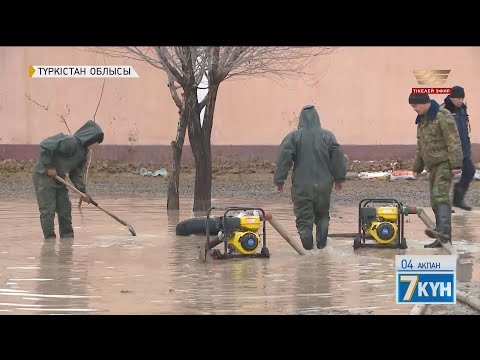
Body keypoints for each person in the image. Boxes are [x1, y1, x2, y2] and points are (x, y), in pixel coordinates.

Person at [273, 105, 346, 250]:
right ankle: (321, 248)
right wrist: (339, 179)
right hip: (325, 185)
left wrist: (279, 181)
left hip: (302, 186)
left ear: (301, 119)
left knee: (304, 219)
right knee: (323, 215)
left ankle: (307, 252)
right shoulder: (328, 136)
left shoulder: (293, 137)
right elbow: (338, 157)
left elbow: (284, 159)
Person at [32, 120, 104, 240]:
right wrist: (48, 165)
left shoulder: (83, 153)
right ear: (88, 137)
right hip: (43, 175)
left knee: (65, 210)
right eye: (94, 141)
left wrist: (82, 191)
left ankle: (67, 241)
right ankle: (49, 242)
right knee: (48, 210)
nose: (94, 144)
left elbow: (76, 174)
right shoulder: (70, 141)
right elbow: (45, 145)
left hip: (58, 178)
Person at [409, 93, 463, 248]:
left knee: (440, 195)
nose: (414, 109)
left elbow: (453, 140)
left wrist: (456, 164)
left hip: (445, 163)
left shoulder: (442, 116)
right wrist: (417, 167)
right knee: (434, 201)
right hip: (432, 166)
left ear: (425, 103)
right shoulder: (422, 119)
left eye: (415, 106)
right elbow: (421, 146)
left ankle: (443, 232)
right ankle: (443, 238)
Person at [442, 86, 475, 211]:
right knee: (446, 177)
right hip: (449, 151)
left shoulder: (462, 109)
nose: (460, 100)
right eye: (458, 98)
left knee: (470, 171)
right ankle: (443, 206)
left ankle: (458, 199)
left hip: (463, 150)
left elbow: (464, 130)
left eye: (462, 98)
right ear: (451, 97)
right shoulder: (444, 110)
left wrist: (467, 146)